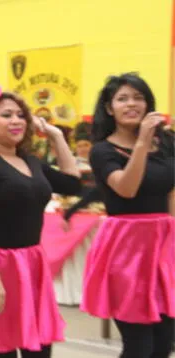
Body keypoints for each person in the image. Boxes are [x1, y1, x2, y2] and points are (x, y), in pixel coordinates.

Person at [0, 85, 82, 357]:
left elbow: (73, 183)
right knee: (0, 348)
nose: (16, 120)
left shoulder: (30, 160)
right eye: (6, 115)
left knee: (38, 348)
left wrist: (56, 135)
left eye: (20, 115)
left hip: (31, 265)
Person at [81, 73, 174, 358]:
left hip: (165, 245)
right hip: (127, 249)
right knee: (138, 346)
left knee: (163, 343)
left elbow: (172, 191)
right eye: (123, 99)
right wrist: (143, 143)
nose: (131, 104)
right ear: (109, 108)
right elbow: (127, 188)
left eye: (138, 98)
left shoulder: (168, 142)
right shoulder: (102, 150)